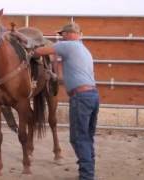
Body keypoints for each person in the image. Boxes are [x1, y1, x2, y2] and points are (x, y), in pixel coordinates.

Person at [34, 22, 100, 180]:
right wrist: (55, 74)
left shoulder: (68, 45)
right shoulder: (84, 50)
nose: (60, 37)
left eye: (61, 34)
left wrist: (30, 47)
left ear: (69, 34)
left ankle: (87, 176)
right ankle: (88, 171)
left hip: (81, 98)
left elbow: (39, 51)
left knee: (78, 138)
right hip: (92, 96)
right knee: (86, 136)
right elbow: (66, 79)